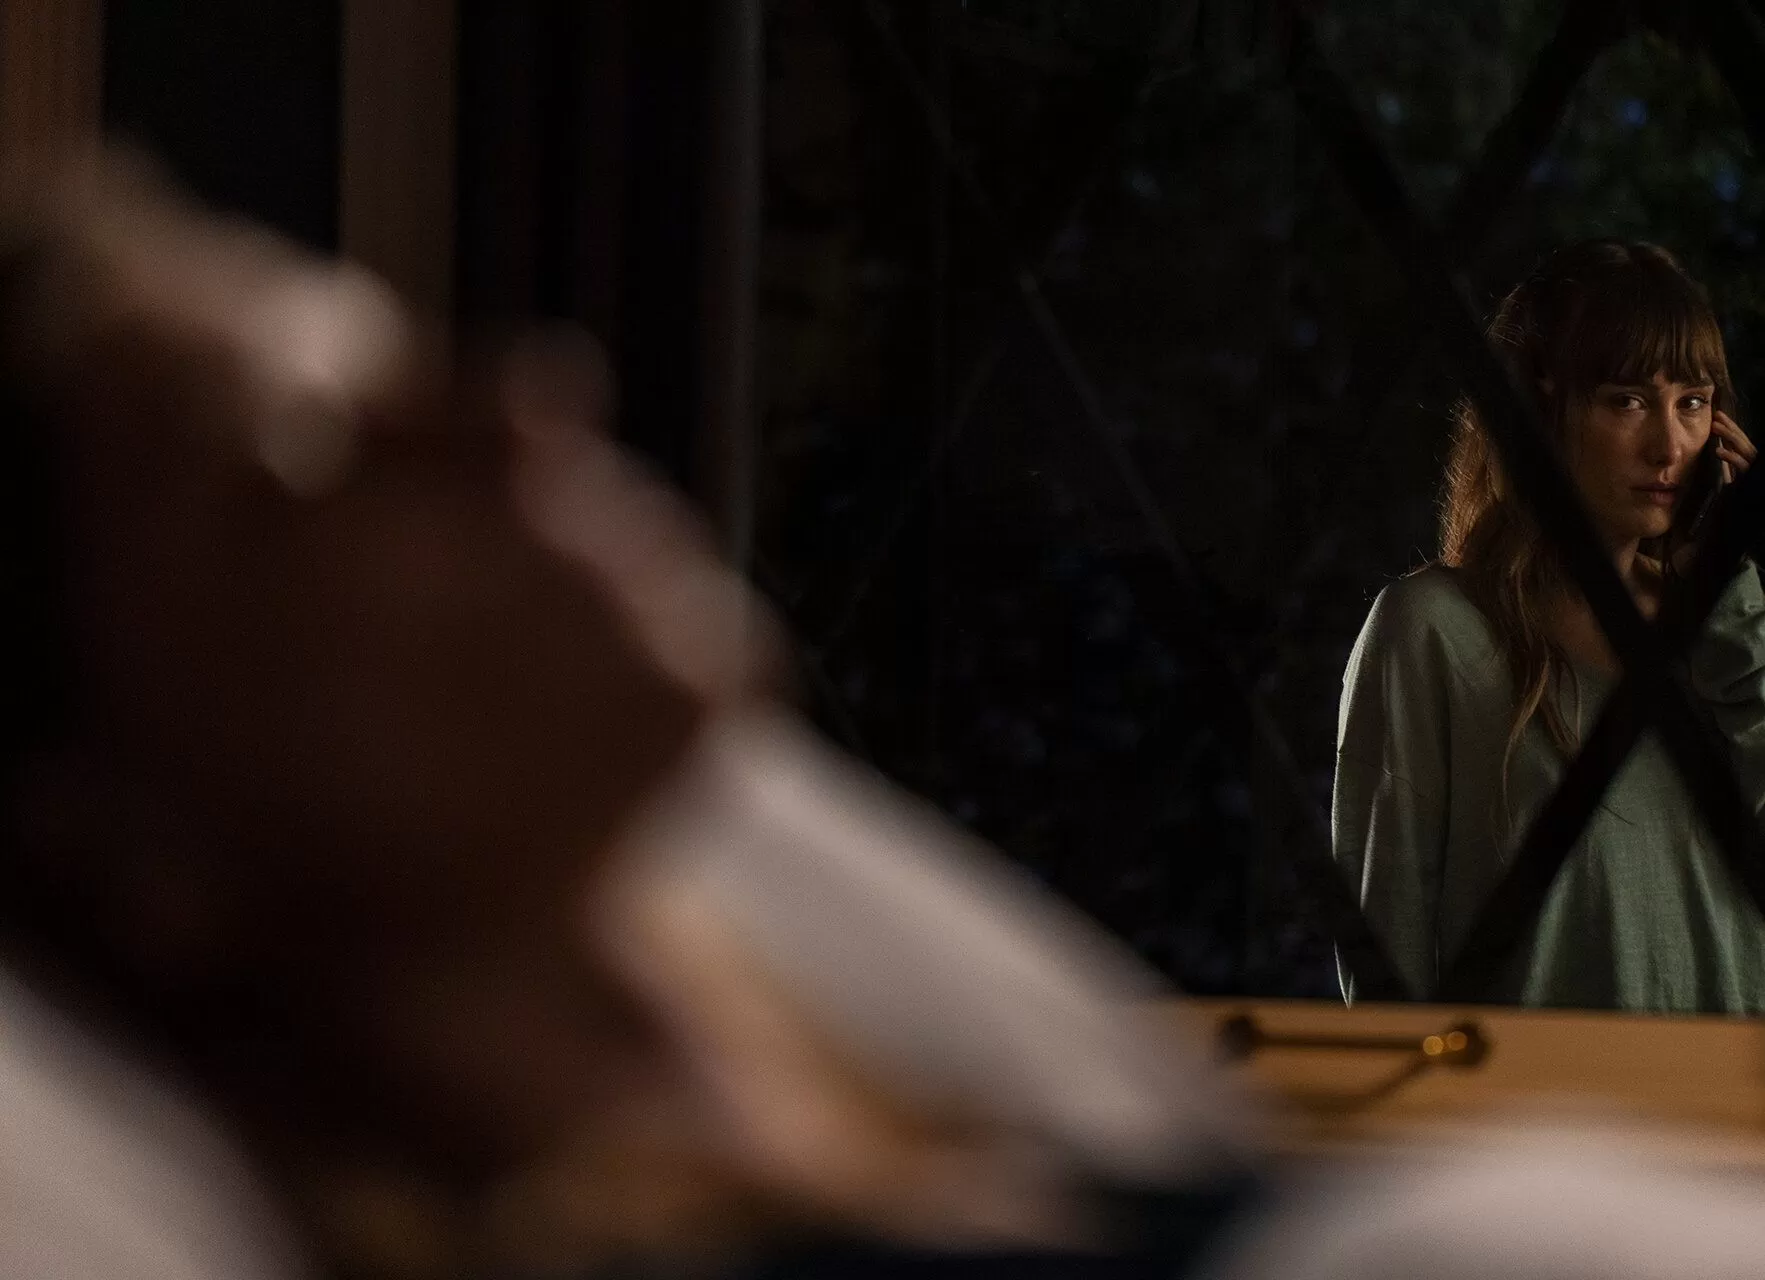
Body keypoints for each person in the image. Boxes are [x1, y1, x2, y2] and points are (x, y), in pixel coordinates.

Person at [1333, 239, 1765, 1012]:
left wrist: (1728, 598)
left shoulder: (1739, 633)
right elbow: (1384, 958)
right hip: (1530, 1092)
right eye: (1626, 400)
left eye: (1692, 402)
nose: (1669, 446)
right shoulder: (1434, 633)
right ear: (1538, 409)